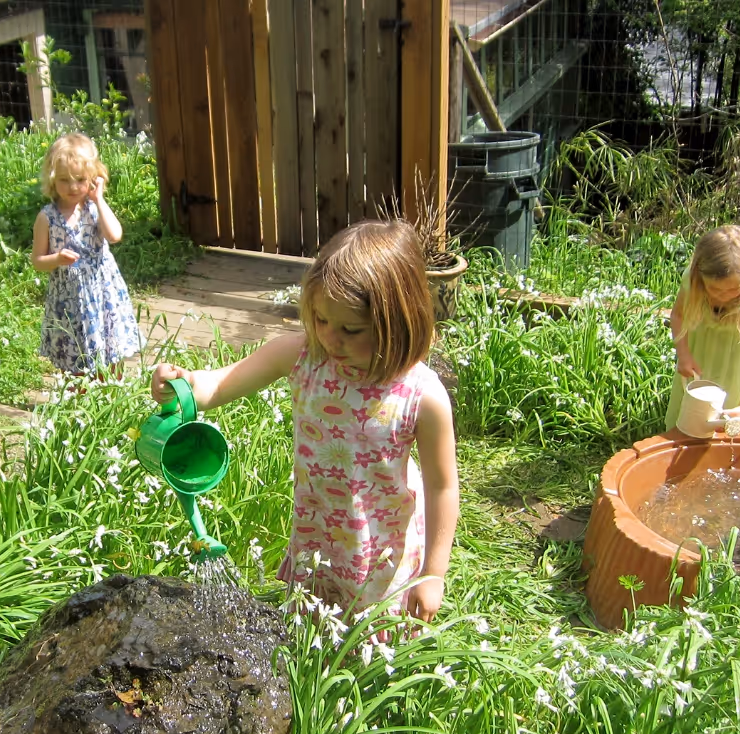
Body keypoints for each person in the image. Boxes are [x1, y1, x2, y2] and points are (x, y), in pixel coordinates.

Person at [150, 219, 460, 625]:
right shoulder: (302, 356)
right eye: (320, 319)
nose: (331, 338)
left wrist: (434, 573)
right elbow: (222, 383)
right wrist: (181, 385)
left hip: (380, 551)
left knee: (370, 643)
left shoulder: (421, 395)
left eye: (351, 329)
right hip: (317, 532)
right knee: (312, 630)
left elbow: (442, 486)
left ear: (397, 322)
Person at [31, 132, 141, 378]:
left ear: (93, 177)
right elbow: (37, 261)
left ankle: (111, 392)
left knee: (110, 351)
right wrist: (57, 259)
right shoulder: (47, 217)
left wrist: (99, 199)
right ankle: (77, 394)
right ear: (52, 179)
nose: (72, 187)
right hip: (68, 300)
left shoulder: (94, 209)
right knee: (74, 356)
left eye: (80, 179)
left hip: (102, 293)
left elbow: (114, 235)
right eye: (64, 180)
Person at [666, 224, 740, 429]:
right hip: (705, 332)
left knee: (733, 383)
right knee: (699, 379)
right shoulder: (693, 279)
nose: (722, 296)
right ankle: (685, 430)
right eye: (714, 289)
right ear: (699, 276)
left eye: (732, 289)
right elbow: (678, 315)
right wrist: (684, 354)